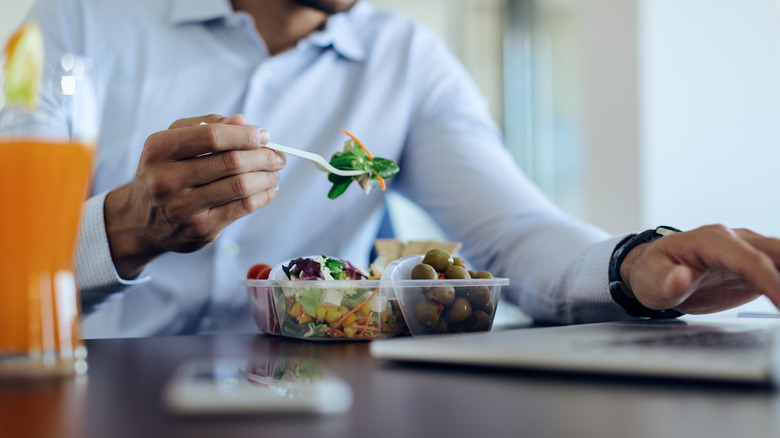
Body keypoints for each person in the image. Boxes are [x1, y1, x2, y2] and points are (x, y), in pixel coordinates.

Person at [9, 0, 780, 337]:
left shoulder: (407, 62)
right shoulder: (78, 20)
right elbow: (11, 257)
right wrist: (125, 228)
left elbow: (513, 231)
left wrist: (633, 265)